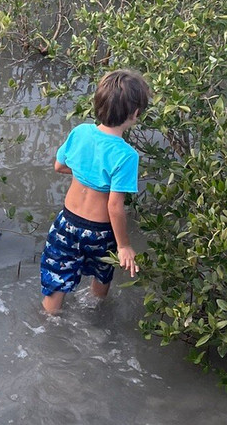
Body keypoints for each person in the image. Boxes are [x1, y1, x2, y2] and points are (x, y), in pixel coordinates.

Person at [40, 69, 150, 314]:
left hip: (66, 222)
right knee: (101, 276)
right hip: (100, 232)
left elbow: (59, 166)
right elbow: (114, 206)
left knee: (56, 278)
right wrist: (123, 246)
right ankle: (96, 314)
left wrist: (84, 175)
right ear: (135, 114)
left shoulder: (80, 132)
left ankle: (50, 317)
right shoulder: (126, 155)